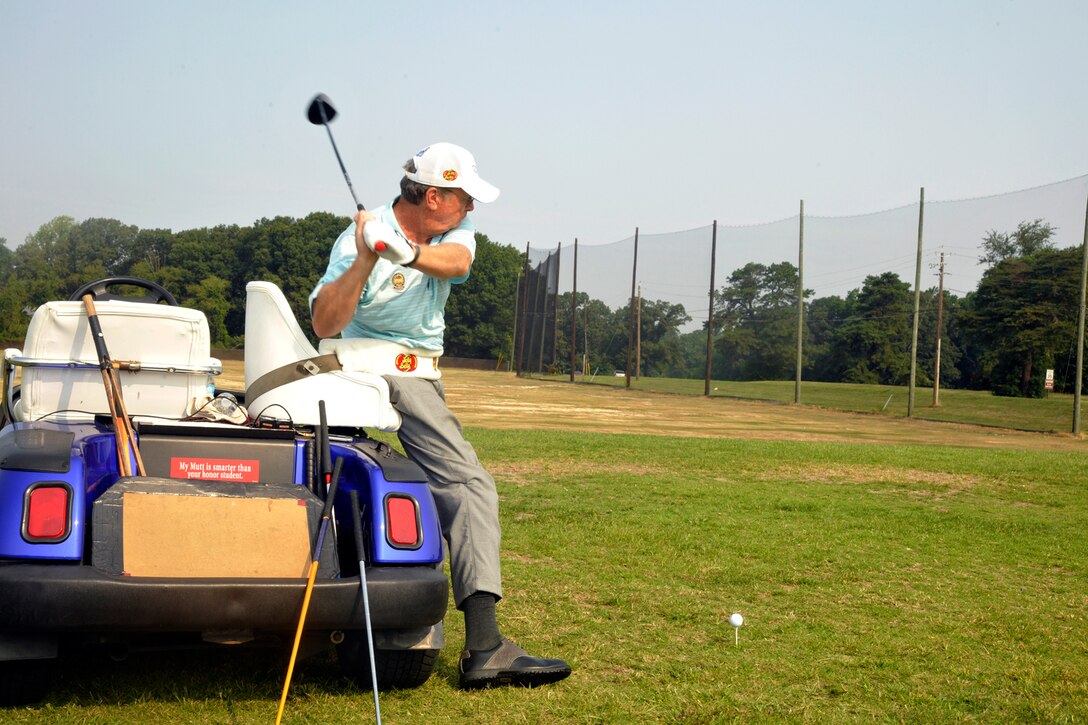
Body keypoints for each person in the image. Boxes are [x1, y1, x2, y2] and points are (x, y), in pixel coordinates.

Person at [309, 142, 571, 690]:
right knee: (471, 486)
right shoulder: (359, 237)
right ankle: (485, 646)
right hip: (381, 370)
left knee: (445, 486)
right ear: (434, 196)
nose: (471, 209)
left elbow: (459, 264)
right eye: (464, 198)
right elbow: (325, 322)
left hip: (420, 375)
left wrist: (401, 251)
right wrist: (365, 257)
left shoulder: (451, 236)